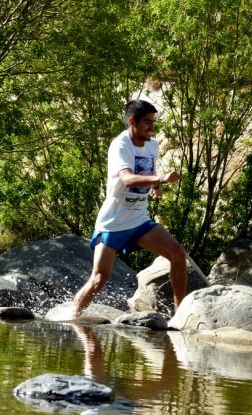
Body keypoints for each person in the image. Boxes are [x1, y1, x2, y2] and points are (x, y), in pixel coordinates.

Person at [71, 99, 187, 317]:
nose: (152, 127)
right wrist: (160, 179)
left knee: (178, 254)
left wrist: (154, 186)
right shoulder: (120, 145)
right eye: (147, 122)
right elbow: (126, 179)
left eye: (153, 122)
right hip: (113, 221)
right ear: (132, 121)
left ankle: (180, 316)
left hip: (139, 219)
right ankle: (71, 316)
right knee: (98, 279)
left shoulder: (152, 145)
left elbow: (144, 172)